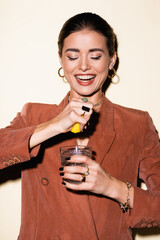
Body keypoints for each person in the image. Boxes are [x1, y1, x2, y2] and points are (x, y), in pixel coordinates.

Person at [0, 12, 160, 240]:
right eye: (73, 56)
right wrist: (54, 125)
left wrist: (111, 187)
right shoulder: (34, 115)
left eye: (95, 56)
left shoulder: (137, 123)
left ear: (112, 60)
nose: (84, 67)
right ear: (61, 60)